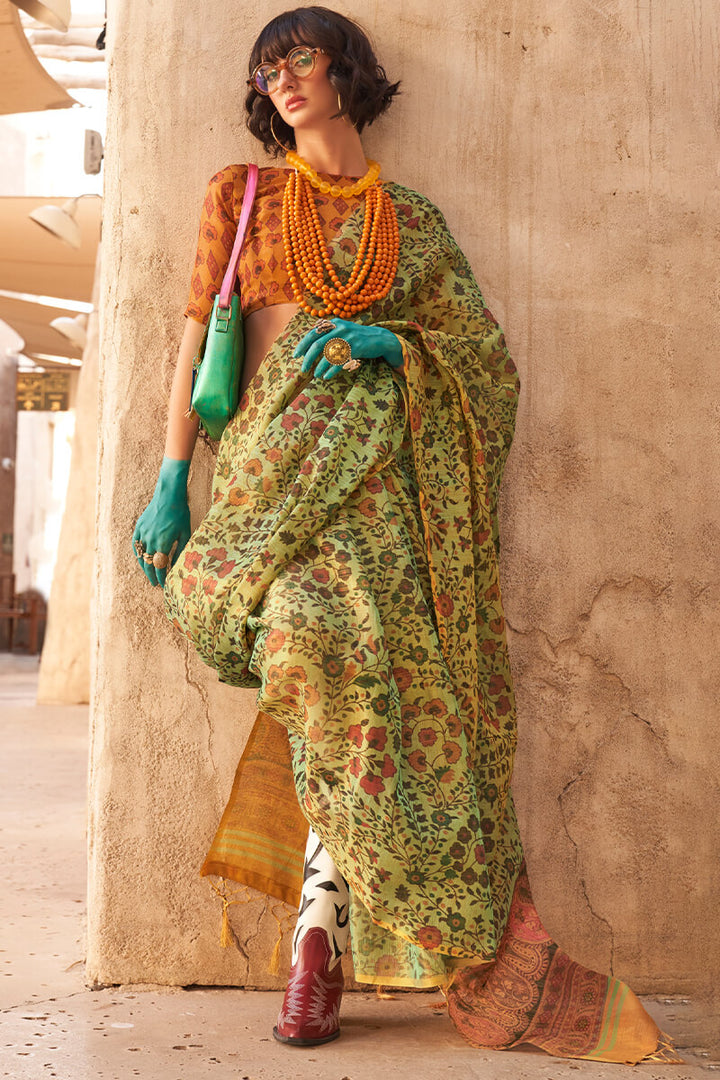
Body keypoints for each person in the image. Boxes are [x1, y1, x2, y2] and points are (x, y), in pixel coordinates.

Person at [132, 5, 678, 1063]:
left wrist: (396, 344)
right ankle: (328, 924)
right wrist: (170, 482)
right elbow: (196, 336)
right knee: (299, 645)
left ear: (348, 73)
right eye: (268, 68)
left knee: (365, 696)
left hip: (388, 504)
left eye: (302, 59)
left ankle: (316, 938)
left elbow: (485, 367)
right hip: (265, 489)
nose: (284, 79)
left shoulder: (412, 223)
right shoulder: (241, 198)